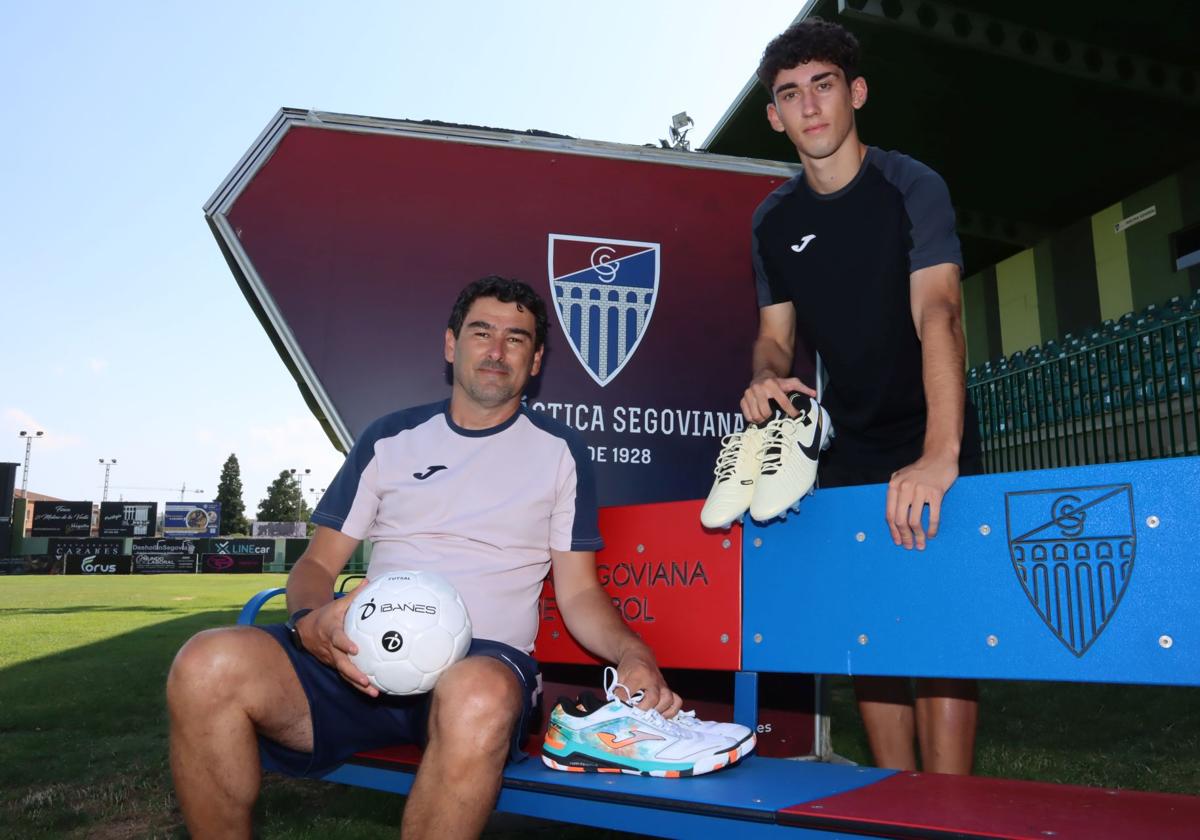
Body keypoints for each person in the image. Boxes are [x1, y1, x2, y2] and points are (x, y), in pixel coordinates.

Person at [167, 276, 681, 838]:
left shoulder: (560, 452)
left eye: (516, 339)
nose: (495, 349)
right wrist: (310, 622)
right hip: (360, 660)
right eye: (481, 332)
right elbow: (316, 566)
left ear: (535, 361)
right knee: (204, 663)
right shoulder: (389, 438)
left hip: (480, 665)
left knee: (477, 695)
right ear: (450, 345)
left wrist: (635, 653)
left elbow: (579, 591)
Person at [740, 19, 983, 774]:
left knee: (941, 628)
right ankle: (895, 802)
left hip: (932, 426)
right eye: (791, 94)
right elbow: (776, 338)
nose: (810, 106)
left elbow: (939, 312)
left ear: (856, 94)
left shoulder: (912, 186)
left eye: (823, 85)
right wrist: (762, 375)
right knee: (875, 625)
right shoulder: (773, 222)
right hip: (850, 443)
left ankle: (950, 812)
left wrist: (938, 456)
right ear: (774, 116)